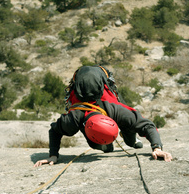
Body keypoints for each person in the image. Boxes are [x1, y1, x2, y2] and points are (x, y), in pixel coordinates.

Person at [34, 66, 172, 167]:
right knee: (99, 145)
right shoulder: (74, 118)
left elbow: (147, 125)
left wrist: (157, 147)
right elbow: (54, 130)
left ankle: (129, 138)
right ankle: (106, 146)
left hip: (101, 80)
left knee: (130, 128)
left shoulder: (115, 108)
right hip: (84, 89)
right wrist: (53, 155)